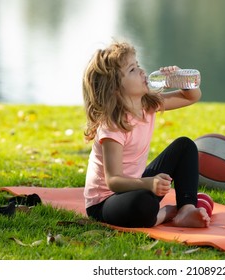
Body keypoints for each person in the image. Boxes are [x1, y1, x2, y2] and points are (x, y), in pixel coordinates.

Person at [82, 41, 210, 228]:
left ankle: (186, 209)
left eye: (138, 65)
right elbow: (113, 181)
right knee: (142, 205)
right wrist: (148, 184)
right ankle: (164, 214)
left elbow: (192, 97)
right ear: (115, 89)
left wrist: (181, 79)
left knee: (185, 146)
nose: (142, 72)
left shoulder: (148, 105)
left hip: (138, 184)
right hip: (106, 202)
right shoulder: (112, 127)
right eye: (133, 70)